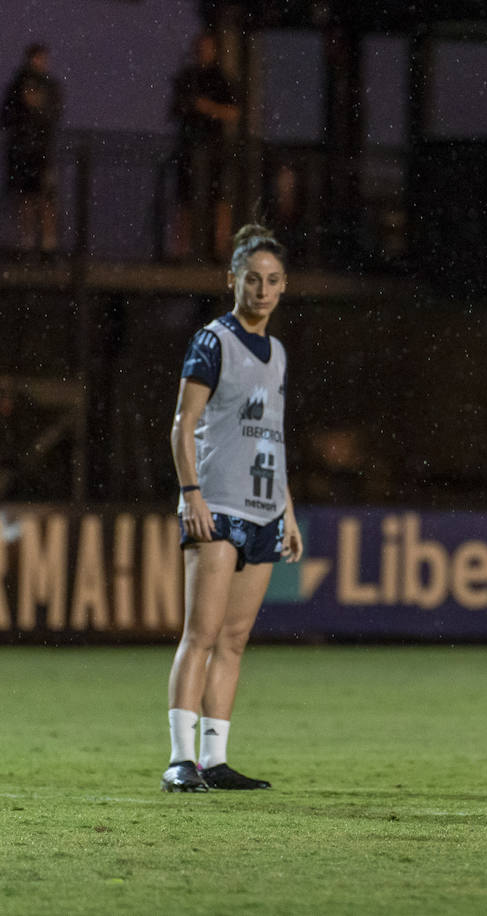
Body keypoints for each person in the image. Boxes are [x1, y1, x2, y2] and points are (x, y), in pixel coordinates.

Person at [162, 223, 302, 792]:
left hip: (266, 511)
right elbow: (182, 424)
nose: (262, 290)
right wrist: (191, 494)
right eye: (252, 280)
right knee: (201, 633)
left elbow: (272, 435)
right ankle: (180, 760)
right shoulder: (213, 341)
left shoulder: (279, 352)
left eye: (271, 281)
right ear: (233, 282)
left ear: (283, 286)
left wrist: (289, 512)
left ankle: (215, 761)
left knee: (235, 639)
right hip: (216, 505)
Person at [168, 33, 239, 260]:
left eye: (206, 48)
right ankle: (181, 250)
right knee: (185, 199)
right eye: (199, 48)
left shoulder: (219, 79)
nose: (202, 52)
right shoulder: (187, 78)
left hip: (215, 149)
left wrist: (207, 107)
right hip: (190, 147)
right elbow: (174, 111)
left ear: (214, 51)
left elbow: (233, 112)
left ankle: (220, 249)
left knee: (220, 199)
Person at [2, 43, 62, 254]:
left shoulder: (49, 86)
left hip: (40, 149)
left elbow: (54, 114)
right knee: (27, 198)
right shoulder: (18, 85)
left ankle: (48, 244)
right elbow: (7, 116)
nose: (40, 62)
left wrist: (37, 108)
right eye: (37, 58)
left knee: (46, 198)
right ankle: (28, 242)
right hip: (24, 149)